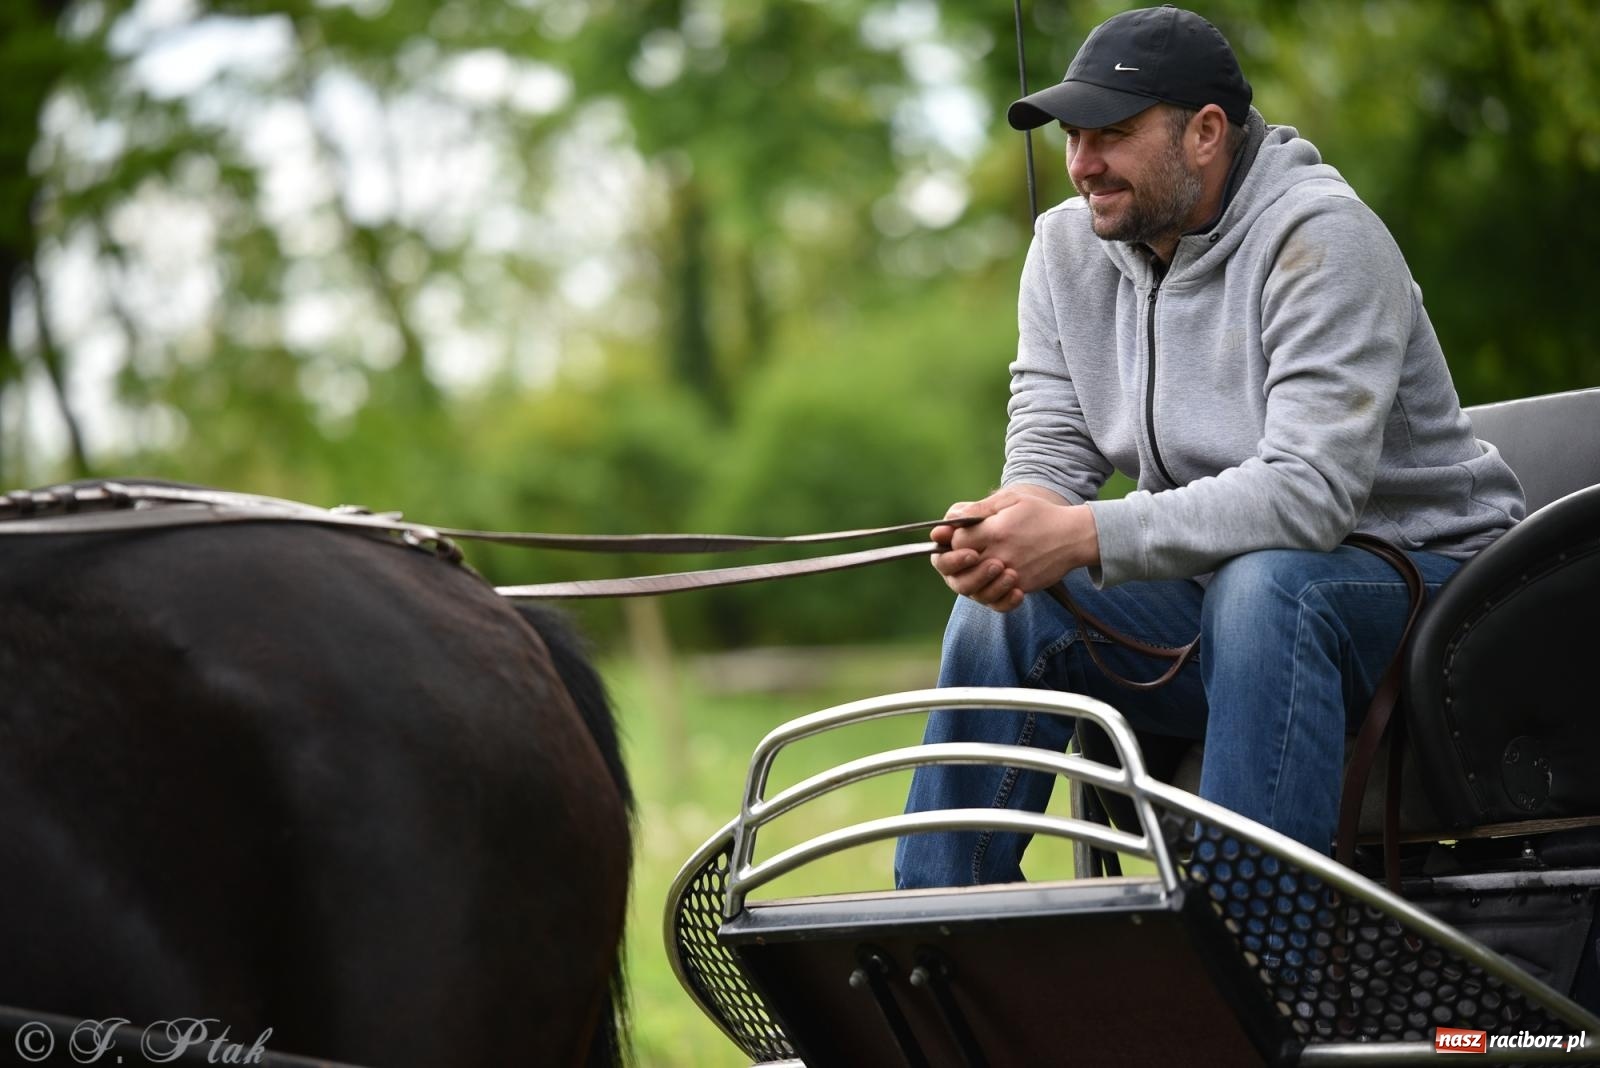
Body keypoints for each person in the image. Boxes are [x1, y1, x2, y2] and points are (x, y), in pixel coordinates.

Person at [894, 4, 1525, 890]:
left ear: (1205, 133)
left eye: (1110, 134)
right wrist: (1011, 526)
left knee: (1268, 588)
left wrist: (1085, 535)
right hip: (1232, 592)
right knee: (1018, 604)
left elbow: (1308, 496)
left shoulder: (1323, 239)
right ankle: (930, 954)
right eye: (1072, 138)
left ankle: (1249, 968)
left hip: (1437, 597)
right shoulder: (1064, 250)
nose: (1081, 166)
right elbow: (1050, 443)